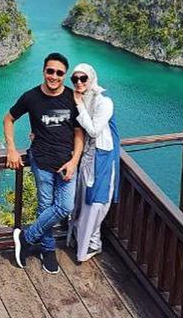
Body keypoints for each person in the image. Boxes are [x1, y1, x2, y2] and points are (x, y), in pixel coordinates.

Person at [3, 52, 84, 275]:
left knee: (65, 206)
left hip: (67, 162)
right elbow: (8, 119)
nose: (54, 76)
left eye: (59, 73)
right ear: (44, 71)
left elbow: (79, 133)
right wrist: (11, 148)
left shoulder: (72, 98)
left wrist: (75, 160)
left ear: (64, 75)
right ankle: (47, 249)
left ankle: (26, 237)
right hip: (41, 161)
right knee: (45, 207)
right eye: (50, 71)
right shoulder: (31, 97)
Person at [67, 63, 120, 262]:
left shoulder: (103, 102)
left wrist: (78, 104)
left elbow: (94, 130)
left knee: (95, 201)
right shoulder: (80, 99)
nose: (79, 82)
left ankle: (91, 244)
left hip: (102, 157)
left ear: (91, 79)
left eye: (83, 78)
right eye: (75, 79)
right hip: (86, 156)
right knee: (81, 199)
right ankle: (83, 241)